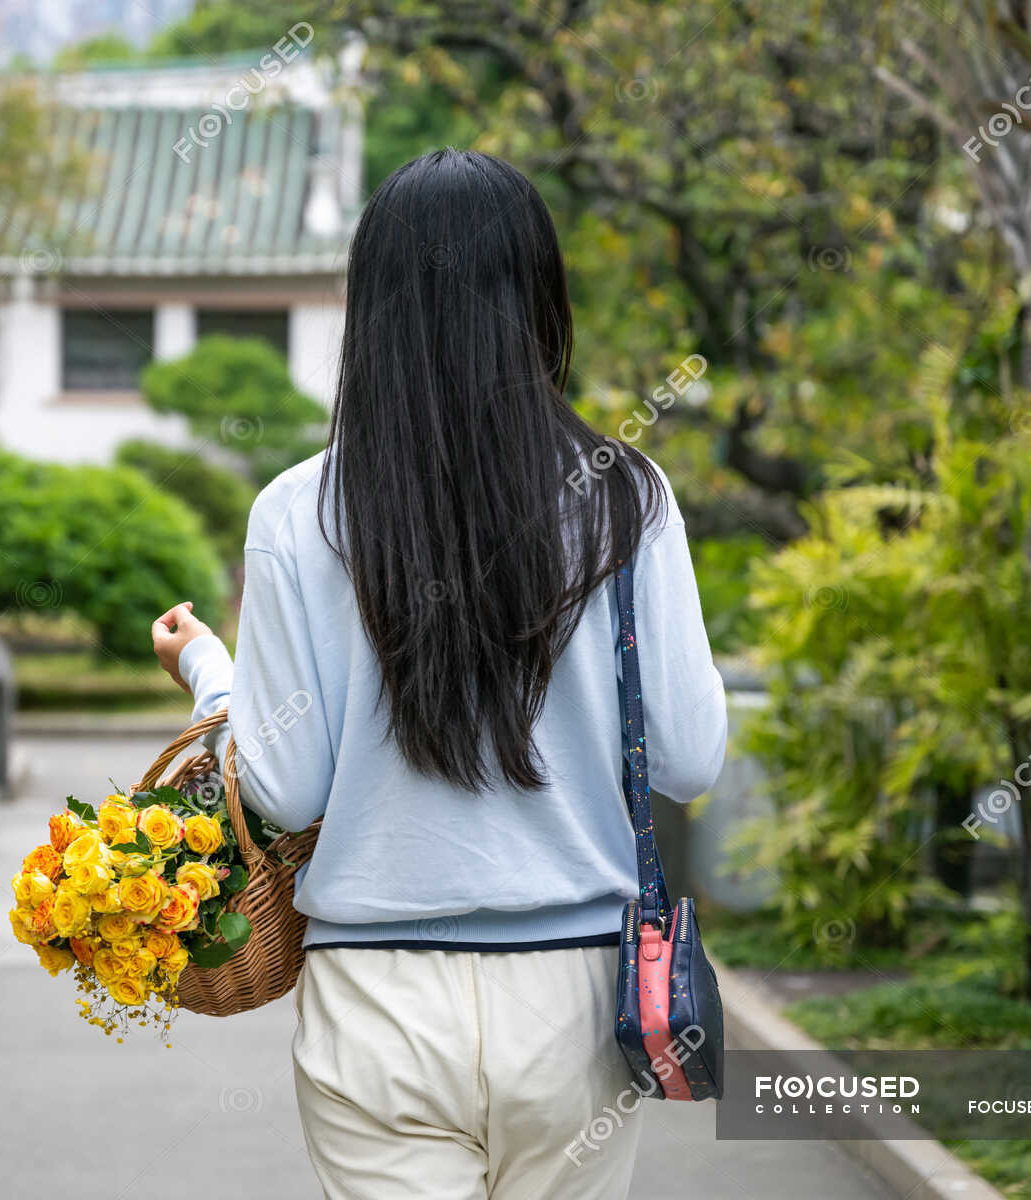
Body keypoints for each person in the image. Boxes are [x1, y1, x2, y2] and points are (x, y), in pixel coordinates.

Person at [149, 148, 727, 1200]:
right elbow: (689, 759)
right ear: (540, 299)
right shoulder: (625, 497)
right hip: (578, 1003)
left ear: (371, 308)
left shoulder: (299, 511)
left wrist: (211, 680)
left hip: (375, 1002)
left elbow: (281, 791)